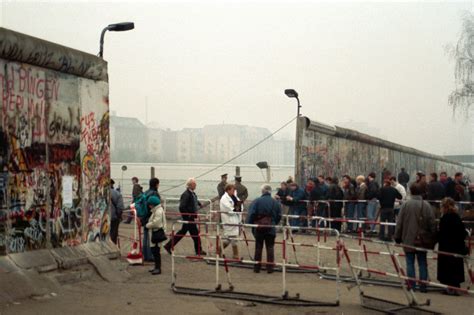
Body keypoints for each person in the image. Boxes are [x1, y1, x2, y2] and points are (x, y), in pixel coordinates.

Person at [394, 184, 436, 293]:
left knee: (410, 262)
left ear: (411, 192)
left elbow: (400, 222)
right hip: (423, 240)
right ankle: (423, 286)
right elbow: (432, 223)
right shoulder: (426, 205)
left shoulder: (406, 205)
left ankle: (411, 285)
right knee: (422, 262)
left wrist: (397, 237)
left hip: (408, 238)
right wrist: (432, 236)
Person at [164, 178, 206, 256]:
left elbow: (194, 200)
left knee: (183, 233)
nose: (195, 185)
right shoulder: (186, 194)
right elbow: (182, 207)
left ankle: (168, 245)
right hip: (189, 218)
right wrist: (188, 215)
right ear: (190, 185)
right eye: (194, 183)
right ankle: (198, 250)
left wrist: (199, 204)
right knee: (195, 234)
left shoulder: (192, 193)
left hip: (191, 217)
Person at [247, 184, 282, 273]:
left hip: (259, 227)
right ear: (270, 191)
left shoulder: (256, 201)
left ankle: (257, 267)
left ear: (262, 191)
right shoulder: (275, 202)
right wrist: (274, 223)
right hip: (271, 227)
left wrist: (251, 224)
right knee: (270, 247)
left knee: (258, 247)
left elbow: (251, 214)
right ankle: (270, 268)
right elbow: (279, 216)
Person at [437, 198, 468, 295]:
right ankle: (455, 287)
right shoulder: (457, 217)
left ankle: (450, 288)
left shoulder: (444, 218)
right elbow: (463, 233)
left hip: (446, 247)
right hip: (457, 246)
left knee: (447, 268)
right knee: (456, 267)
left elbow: (441, 234)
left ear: (444, 207)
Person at [219, 184, 242, 260]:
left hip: (236, 220)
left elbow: (240, 205)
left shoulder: (234, 197)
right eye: (233, 190)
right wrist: (236, 209)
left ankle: (219, 250)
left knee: (228, 239)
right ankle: (235, 255)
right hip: (229, 220)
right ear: (228, 190)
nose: (234, 191)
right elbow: (230, 209)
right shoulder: (224, 199)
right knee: (233, 238)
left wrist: (238, 208)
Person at [145, 196, 166, 275]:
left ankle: (158, 268)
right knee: (155, 251)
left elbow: (156, 223)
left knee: (156, 251)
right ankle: (156, 267)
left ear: (153, 204)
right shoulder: (157, 210)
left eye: (150, 204)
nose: (149, 206)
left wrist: (147, 225)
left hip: (157, 233)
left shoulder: (158, 211)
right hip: (155, 233)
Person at [142, 178, 161, 262]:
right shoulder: (154, 193)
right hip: (151, 217)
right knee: (151, 237)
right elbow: (156, 206)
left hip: (144, 216)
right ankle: (150, 255)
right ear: (156, 184)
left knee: (146, 236)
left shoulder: (145, 192)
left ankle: (145, 254)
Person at [110, 179, 124, 244]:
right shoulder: (117, 194)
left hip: (100, 219)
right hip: (113, 218)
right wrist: (119, 215)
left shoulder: (98, 192)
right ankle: (112, 248)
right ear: (112, 184)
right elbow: (120, 208)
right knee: (113, 234)